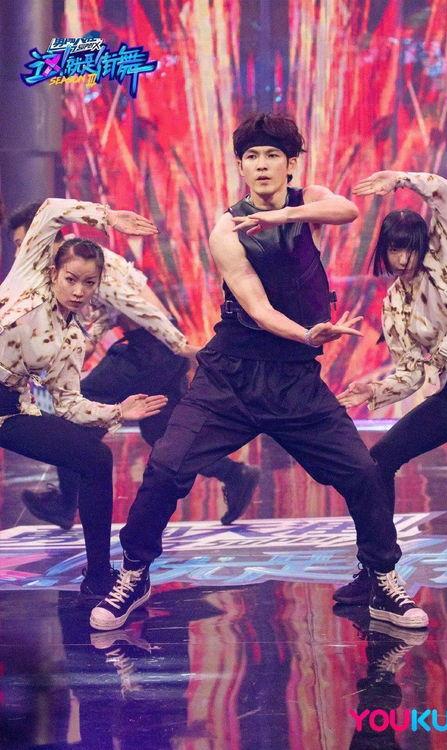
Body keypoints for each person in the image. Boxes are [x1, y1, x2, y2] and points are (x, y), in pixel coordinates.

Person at [90, 113, 428, 632]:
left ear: (290, 164)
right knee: (166, 467)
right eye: (252, 157)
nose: (262, 165)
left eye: (273, 156)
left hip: (294, 383)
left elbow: (345, 209)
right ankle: (134, 574)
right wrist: (307, 334)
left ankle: (380, 579)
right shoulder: (226, 228)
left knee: (362, 472)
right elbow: (257, 306)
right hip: (230, 378)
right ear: (241, 166)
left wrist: (280, 218)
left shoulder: (308, 200)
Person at [7, 203, 259, 531]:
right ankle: (234, 474)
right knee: (159, 431)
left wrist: (181, 345)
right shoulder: (81, 262)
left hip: (150, 348)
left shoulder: (85, 260)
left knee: (74, 409)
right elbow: (112, 309)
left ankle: (66, 503)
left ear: (47, 237)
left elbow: (138, 308)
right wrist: (92, 336)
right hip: (154, 350)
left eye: (23, 243)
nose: (21, 252)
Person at [334, 169, 447, 605]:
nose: (404, 258)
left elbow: (442, 192)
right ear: (385, 251)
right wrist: (375, 392)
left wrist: (399, 179)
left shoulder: (446, 259)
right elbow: (411, 372)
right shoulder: (395, 303)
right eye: (396, 249)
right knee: (380, 459)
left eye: (410, 248)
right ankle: (376, 569)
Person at [0, 198, 168, 596]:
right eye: (71, 279)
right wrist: (109, 217)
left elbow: (67, 404)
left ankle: (97, 576)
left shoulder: (72, 338)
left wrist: (119, 412)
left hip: (7, 413)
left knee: (94, 457)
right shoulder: (26, 281)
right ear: (53, 272)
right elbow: (50, 210)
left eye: (89, 283)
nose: (78, 291)